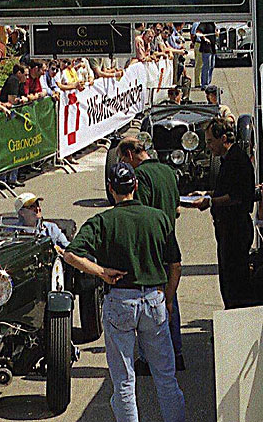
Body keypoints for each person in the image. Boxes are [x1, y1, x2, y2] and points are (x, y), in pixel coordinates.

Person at [64, 163, 185, 422]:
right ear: (136, 186)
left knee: (124, 382)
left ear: (111, 189)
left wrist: (100, 271)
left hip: (120, 300)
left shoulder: (103, 221)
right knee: (166, 378)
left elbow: (71, 254)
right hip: (154, 300)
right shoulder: (158, 218)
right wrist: (170, 299)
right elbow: (175, 265)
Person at [117, 137, 185, 373]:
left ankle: (150, 358)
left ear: (129, 154)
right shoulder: (167, 170)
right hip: (169, 236)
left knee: (151, 301)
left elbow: (139, 211)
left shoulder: (142, 176)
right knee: (170, 297)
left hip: (151, 241)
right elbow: (177, 208)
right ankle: (177, 352)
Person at [190, 117, 255, 309]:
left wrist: (210, 202)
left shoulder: (237, 160)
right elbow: (226, 190)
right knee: (227, 281)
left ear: (223, 138)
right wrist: (206, 194)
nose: (208, 146)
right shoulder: (227, 160)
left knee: (235, 283)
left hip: (236, 229)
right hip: (226, 230)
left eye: (210, 141)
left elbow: (238, 196)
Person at [196, 22, 217, 89]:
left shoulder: (213, 24)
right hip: (206, 47)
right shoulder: (204, 23)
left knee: (212, 65)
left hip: (212, 47)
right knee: (207, 66)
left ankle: (208, 82)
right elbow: (198, 32)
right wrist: (205, 39)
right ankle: (204, 84)